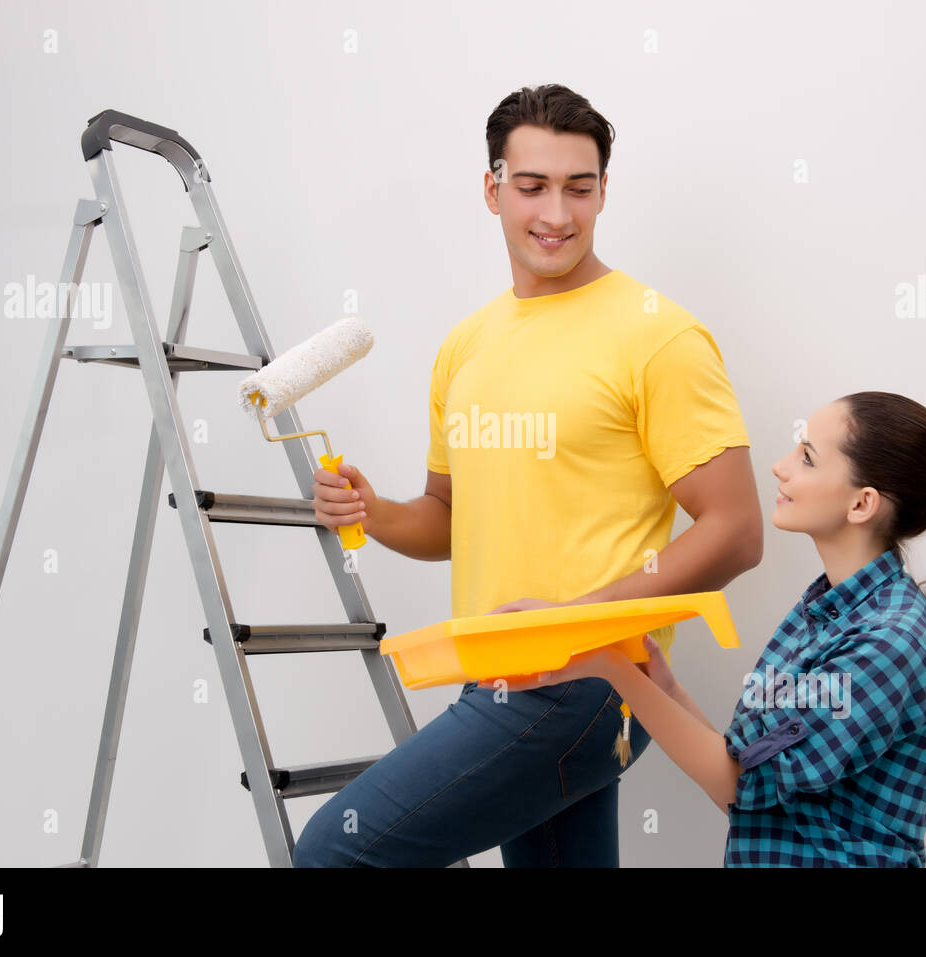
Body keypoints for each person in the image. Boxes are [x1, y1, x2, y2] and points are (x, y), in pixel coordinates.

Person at [291, 83, 763, 867]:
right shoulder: (466, 345)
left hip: (589, 684)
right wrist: (373, 511)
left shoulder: (658, 335)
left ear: (604, 191)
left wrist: (578, 622)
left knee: (335, 853)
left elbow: (737, 529)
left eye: (580, 188)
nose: (557, 213)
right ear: (492, 189)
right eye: (532, 185)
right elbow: (448, 516)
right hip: (498, 679)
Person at [508, 392, 926, 865]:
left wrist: (611, 669)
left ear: (862, 504)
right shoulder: (827, 611)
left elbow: (741, 786)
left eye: (807, 458)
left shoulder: (891, 642)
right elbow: (743, 777)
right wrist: (657, 679)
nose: (780, 467)